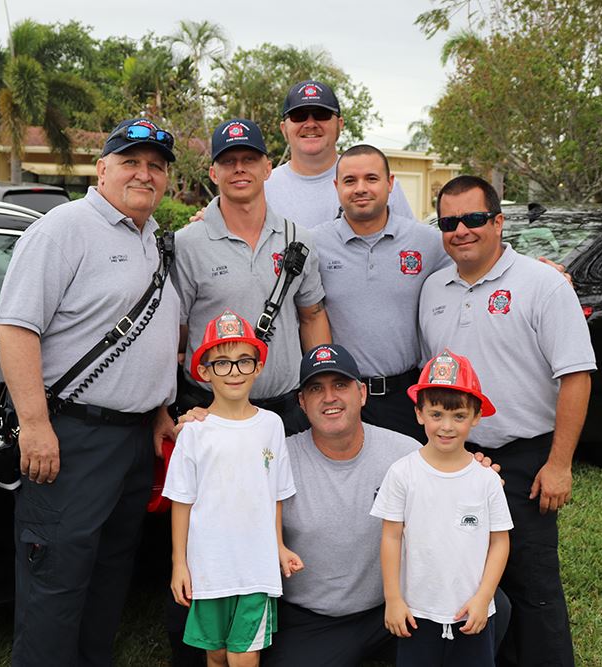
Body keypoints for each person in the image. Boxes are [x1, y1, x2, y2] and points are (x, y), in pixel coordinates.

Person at [0, 118, 181, 666]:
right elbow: (16, 326)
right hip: (70, 436)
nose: (144, 174)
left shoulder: (152, 241)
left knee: (108, 574)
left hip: (131, 442)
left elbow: (145, 336)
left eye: (156, 166)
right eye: (131, 162)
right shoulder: (64, 228)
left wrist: (160, 410)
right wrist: (34, 425)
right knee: (56, 578)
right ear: (102, 169)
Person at [418, 175, 595, 666]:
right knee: (468, 574)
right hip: (457, 458)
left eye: (474, 219)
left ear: (498, 222)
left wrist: (559, 463)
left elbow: (576, 376)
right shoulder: (433, 288)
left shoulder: (542, 285)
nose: (462, 231)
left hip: (525, 460)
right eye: (449, 222)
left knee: (532, 581)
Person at [259, 344, 510, 666]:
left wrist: (476, 472)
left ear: (362, 393)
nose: (329, 397)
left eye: (340, 385)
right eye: (316, 388)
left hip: (399, 606)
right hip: (317, 617)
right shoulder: (278, 457)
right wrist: (202, 422)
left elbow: (448, 470)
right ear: (302, 402)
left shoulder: (403, 452)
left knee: (496, 607)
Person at [172, 118, 331, 436]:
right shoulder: (187, 243)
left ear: (268, 168)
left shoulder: (297, 239)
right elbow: (174, 331)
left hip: (287, 412)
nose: (239, 169)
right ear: (214, 173)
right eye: (228, 162)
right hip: (210, 413)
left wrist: (322, 386)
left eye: (249, 160)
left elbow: (312, 316)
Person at [164, 309, 303, 667]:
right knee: (217, 653)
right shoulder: (193, 431)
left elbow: (273, 496)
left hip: (256, 567)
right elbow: (182, 502)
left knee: (243, 655)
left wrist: (279, 546)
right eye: (222, 363)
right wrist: (180, 563)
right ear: (205, 372)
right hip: (209, 566)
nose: (234, 372)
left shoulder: (271, 425)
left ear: (258, 367)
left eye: (243, 361)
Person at [372, 349, 512, 666]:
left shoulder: (486, 480)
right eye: (436, 414)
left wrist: (483, 597)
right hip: (416, 613)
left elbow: (500, 541)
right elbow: (391, 537)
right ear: (419, 413)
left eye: (459, 416)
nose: (446, 426)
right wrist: (393, 599)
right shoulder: (401, 473)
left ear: (476, 416)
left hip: (472, 613)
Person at [313, 144, 452, 440]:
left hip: (407, 396)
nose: (360, 188)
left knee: (408, 483)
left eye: (372, 179)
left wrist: (545, 269)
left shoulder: (427, 241)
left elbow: (478, 263)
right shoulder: (313, 244)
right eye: (350, 181)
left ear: (390, 184)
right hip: (341, 396)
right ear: (337, 187)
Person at [264, 79, 415, 229]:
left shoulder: (379, 184)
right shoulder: (263, 189)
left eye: (321, 114)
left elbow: (410, 242)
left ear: (340, 124)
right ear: (284, 129)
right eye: (299, 116)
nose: (310, 124)